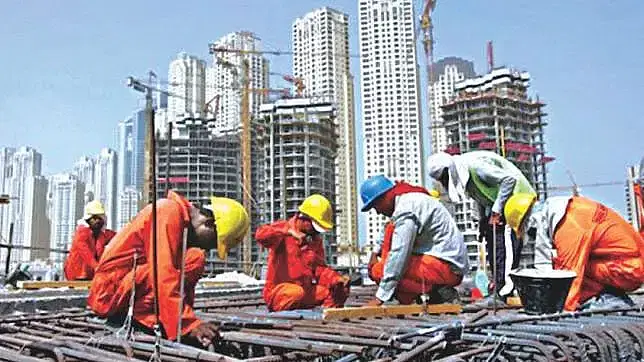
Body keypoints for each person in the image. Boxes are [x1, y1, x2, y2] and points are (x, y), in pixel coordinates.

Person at [87, 191, 249, 346]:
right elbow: (163, 273)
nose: (208, 248)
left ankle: (165, 318)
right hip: (107, 295)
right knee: (161, 270)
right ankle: (145, 319)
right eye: (213, 243)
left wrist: (190, 320)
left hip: (127, 287)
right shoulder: (168, 212)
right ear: (208, 224)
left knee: (195, 259)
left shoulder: (180, 225)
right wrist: (187, 325)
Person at [426, 151, 536, 302]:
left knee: (504, 243)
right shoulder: (466, 176)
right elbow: (481, 197)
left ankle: (503, 291)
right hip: (498, 204)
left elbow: (509, 180)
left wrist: (497, 210)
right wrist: (482, 220)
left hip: (516, 199)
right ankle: (497, 286)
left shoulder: (476, 167)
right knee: (493, 242)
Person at [504, 193, 644, 310]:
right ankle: (603, 298)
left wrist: (559, 311)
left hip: (630, 269)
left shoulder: (569, 225)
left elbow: (570, 277)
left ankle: (604, 303)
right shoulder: (567, 211)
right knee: (562, 265)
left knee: (568, 273)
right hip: (624, 264)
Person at [361, 175, 469, 306]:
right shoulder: (406, 201)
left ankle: (438, 292)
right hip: (446, 264)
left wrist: (380, 297)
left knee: (380, 270)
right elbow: (387, 230)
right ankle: (420, 294)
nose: (377, 212)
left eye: (375, 206)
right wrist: (374, 252)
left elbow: (399, 253)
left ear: (385, 197)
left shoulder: (406, 210)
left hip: (447, 268)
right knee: (384, 263)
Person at [256, 194, 350, 312]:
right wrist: (288, 232)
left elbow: (319, 269)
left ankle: (326, 319)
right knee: (296, 293)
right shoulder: (284, 229)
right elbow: (261, 235)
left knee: (335, 291)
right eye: (315, 227)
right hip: (279, 293)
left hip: (303, 291)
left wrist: (336, 280)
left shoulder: (315, 240)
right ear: (304, 218)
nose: (316, 232)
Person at [64, 201, 116, 281]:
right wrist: (97, 267)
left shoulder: (102, 234)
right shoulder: (81, 233)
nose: (97, 221)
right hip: (77, 274)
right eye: (94, 218)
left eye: (99, 218)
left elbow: (118, 236)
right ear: (88, 218)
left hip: (91, 275)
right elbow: (86, 253)